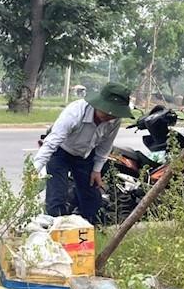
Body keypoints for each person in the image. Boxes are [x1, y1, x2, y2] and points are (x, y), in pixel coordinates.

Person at [33, 83, 134, 224]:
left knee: (91, 197)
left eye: (114, 114)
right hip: (60, 152)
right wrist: (33, 172)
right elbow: (51, 143)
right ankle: (55, 231)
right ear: (98, 104)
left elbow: (106, 145)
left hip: (85, 155)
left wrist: (97, 170)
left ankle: (87, 230)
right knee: (57, 196)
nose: (110, 117)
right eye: (107, 112)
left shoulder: (114, 119)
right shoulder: (74, 113)